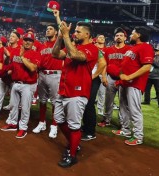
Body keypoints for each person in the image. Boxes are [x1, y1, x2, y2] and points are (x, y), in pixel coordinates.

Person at [51, 20, 98, 168]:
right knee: (59, 120)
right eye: (74, 31)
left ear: (87, 34)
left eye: (78, 31)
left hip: (77, 92)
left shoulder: (92, 48)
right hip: (63, 89)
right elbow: (55, 54)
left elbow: (75, 55)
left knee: (74, 126)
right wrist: (60, 36)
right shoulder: (74, 45)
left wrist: (66, 36)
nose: (74, 33)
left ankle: (72, 156)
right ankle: (73, 144)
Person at [112, 27, 154, 146]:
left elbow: (147, 67)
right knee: (123, 108)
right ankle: (125, 130)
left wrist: (129, 77)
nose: (130, 35)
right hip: (124, 83)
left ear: (139, 35)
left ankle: (138, 136)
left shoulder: (146, 47)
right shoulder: (133, 48)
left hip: (134, 84)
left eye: (132, 33)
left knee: (134, 110)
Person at [0, 32, 41, 138]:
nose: (27, 42)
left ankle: (23, 128)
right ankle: (12, 123)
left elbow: (32, 68)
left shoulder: (36, 54)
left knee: (25, 108)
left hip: (28, 84)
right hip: (16, 83)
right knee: (13, 105)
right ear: (22, 40)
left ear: (33, 43)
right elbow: (12, 67)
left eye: (30, 40)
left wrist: (22, 57)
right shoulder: (14, 52)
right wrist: (4, 72)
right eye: (26, 39)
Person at [32, 25, 63, 139]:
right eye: (47, 29)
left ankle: (54, 126)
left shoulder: (60, 43)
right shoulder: (42, 45)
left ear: (56, 32)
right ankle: (42, 123)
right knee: (43, 100)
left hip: (55, 74)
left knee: (55, 101)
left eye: (50, 29)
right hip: (42, 74)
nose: (47, 30)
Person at [98, 27, 131, 128]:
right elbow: (104, 64)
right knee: (108, 101)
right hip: (111, 78)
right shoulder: (108, 50)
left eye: (121, 35)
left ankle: (122, 123)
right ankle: (106, 120)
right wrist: (104, 76)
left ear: (125, 38)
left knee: (123, 103)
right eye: (117, 35)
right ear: (114, 37)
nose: (119, 37)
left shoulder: (129, 50)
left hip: (123, 79)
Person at [94, 34, 107, 115]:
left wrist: (104, 75)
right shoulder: (93, 47)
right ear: (96, 39)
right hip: (93, 70)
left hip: (104, 71)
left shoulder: (107, 49)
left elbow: (106, 63)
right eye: (100, 37)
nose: (102, 39)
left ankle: (100, 109)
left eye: (103, 37)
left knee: (102, 92)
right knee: (91, 91)